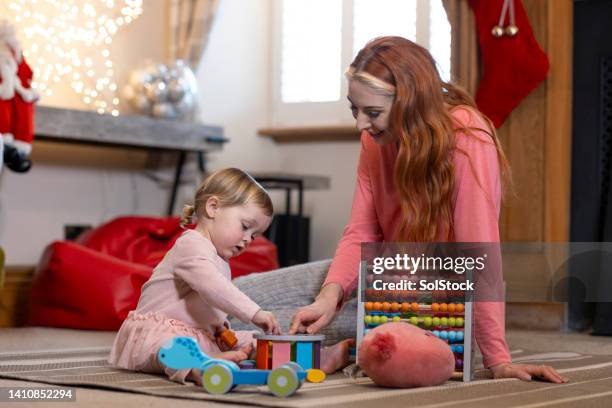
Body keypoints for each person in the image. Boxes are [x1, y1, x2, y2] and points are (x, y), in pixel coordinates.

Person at [289, 36, 567, 384]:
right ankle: (354, 344)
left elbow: (477, 250)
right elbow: (361, 233)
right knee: (256, 300)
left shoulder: (467, 134)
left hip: (442, 309)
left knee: (270, 321)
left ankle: (360, 347)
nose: (360, 124)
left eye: (372, 113)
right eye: (354, 109)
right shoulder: (372, 143)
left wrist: (497, 358)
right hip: (382, 287)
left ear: (410, 104)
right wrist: (328, 297)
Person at [109, 168, 280, 383]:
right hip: (157, 335)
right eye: (245, 227)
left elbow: (209, 309)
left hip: (198, 334)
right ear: (213, 207)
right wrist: (254, 313)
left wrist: (221, 330)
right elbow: (213, 288)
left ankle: (267, 355)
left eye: (254, 236)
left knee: (255, 339)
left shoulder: (221, 258)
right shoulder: (191, 245)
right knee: (174, 347)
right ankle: (199, 369)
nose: (247, 239)